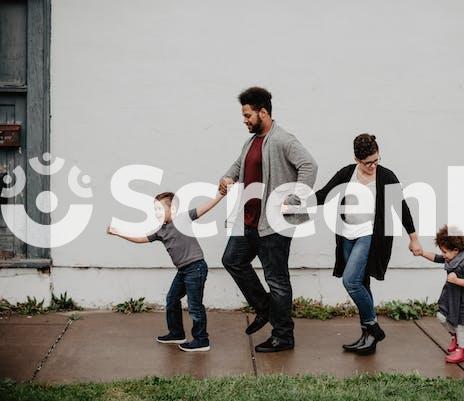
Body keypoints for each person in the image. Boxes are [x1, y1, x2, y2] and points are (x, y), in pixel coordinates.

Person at [219, 87, 317, 352]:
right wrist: (228, 177)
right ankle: (264, 309)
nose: (245, 120)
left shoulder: (283, 139)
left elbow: (310, 165)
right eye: (244, 115)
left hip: (274, 224)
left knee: (277, 280)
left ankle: (283, 336)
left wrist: (295, 199)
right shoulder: (251, 141)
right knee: (232, 260)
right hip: (249, 221)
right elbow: (239, 164)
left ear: (263, 112)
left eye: (248, 115)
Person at [313, 133, 422, 355]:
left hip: (370, 235)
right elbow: (324, 195)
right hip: (346, 235)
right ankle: (368, 338)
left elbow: (401, 208)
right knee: (362, 283)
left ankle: (372, 324)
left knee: (351, 281)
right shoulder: (347, 174)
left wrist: (414, 239)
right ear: (356, 159)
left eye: (376, 160)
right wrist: (297, 202)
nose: (373, 166)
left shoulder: (386, 176)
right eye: (367, 162)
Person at [107, 191, 223, 352]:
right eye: (155, 210)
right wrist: (118, 232)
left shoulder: (183, 219)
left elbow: (205, 208)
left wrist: (220, 196)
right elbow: (141, 238)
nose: (157, 213)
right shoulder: (160, 230)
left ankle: (202, 340)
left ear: (173, 209)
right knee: (172, 299)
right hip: (183, 270)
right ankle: (176, 333)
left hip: (196, 267)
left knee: (194, 305)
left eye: (160, 209)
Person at [416, 225, 464, 363]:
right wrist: (422, 253)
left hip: (462, 299)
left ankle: (461, 351)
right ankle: (454, 337)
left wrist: (457, 280)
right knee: (441, 316)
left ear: (456, 250)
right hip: (450, 296)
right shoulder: (450, 258)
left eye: (445, 252)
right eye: (442, 251)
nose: (443, 255)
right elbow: (436, 258)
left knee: (460, 325)